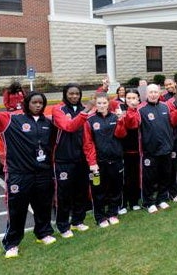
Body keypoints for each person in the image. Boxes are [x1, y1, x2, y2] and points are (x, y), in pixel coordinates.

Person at [0, 70, 56, 258]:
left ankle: (43, 233)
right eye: (34, 102)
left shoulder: (48, 123)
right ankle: (11, 243)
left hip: (42, 173)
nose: (38, 105)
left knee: (43, 206)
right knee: (17, 211)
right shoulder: (10, 120)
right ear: (26, 103)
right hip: (19, 175)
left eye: (41, 103)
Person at [125, 84, 177, 213]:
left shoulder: (165, 106)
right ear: (146, 94)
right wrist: (131, 109)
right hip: (149, 151)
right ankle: (149, 202)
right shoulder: (140, 109)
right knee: (149, 179)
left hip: (166, 149)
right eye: (151, 92)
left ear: (159, 93)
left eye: (155, 92)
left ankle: (162, 199)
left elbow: (171, 124)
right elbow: (132, 125)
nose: (153, 94)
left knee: (165, 176)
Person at [52, 83, 95, 238]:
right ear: (65, 94)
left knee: (81, 192)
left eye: (77, 93)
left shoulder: (83, 109)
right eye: (71, 93)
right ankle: (63, 226)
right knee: (64, 194)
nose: (74, 96)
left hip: (81, 159)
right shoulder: (58, 109)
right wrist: (85, 111)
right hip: (64, 159)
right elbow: (68, 126)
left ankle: (78, 221)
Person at [83, 93, 126, 228]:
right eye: (99, 103)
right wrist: (92, 162)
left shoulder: (115, 116)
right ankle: (100, 217)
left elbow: (121, 134)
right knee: (98, 191)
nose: (102, 105)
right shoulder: (90, 120)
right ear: (95, 104)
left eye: (104, 103)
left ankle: (113, 213)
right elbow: (88, 143)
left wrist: (120, 121)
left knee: (116, 189)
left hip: (116, 160)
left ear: (109, 103)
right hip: (99, 163)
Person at [118, 89, 142, 212]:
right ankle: (122, 204)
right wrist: (130, 110)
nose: (132, 100)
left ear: (138, 99)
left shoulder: (141, 110)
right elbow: (132, 124)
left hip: (139, 150)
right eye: (129, 98)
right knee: (125, 178)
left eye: (134, 98)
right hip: (125, 151)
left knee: (135, 177)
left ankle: (134, 201)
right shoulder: (123, 111)